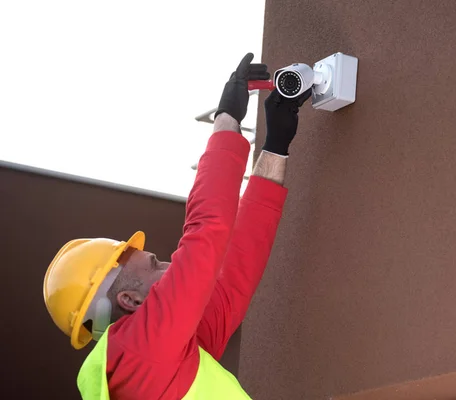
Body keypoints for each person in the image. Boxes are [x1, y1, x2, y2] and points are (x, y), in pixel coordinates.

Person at [43, 53, 312, 399]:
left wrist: (276, 146)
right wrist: (226, 121)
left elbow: (232, 275)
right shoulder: (144, 349)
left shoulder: (164, 360)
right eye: (155, 263)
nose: (170, 265)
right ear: (130, 299)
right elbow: (205, 233)